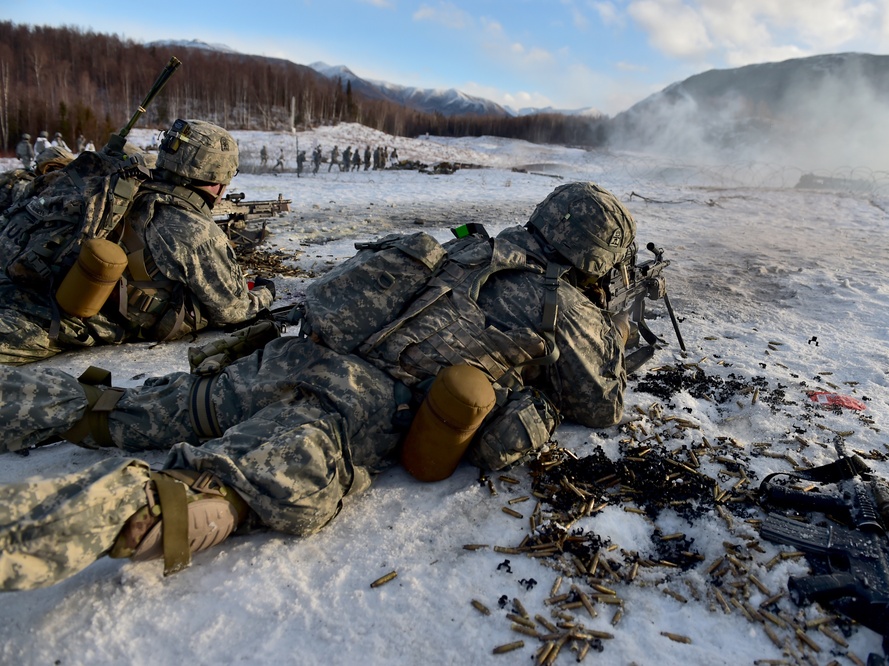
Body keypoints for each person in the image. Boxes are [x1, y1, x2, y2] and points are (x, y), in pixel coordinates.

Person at [0, 181, 636, 591]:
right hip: (344, 408)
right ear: (599, 253)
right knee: (203, 494)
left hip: (288, 359)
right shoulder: (568, 308)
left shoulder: (469, 244)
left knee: (120, 406)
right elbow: (600, 405)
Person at [0, 119, 275, 365]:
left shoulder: (124, 182)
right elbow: (234, 310)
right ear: (219, 176)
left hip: (25, 278)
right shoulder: (194, 230)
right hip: (48, 320)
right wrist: (265, 292)